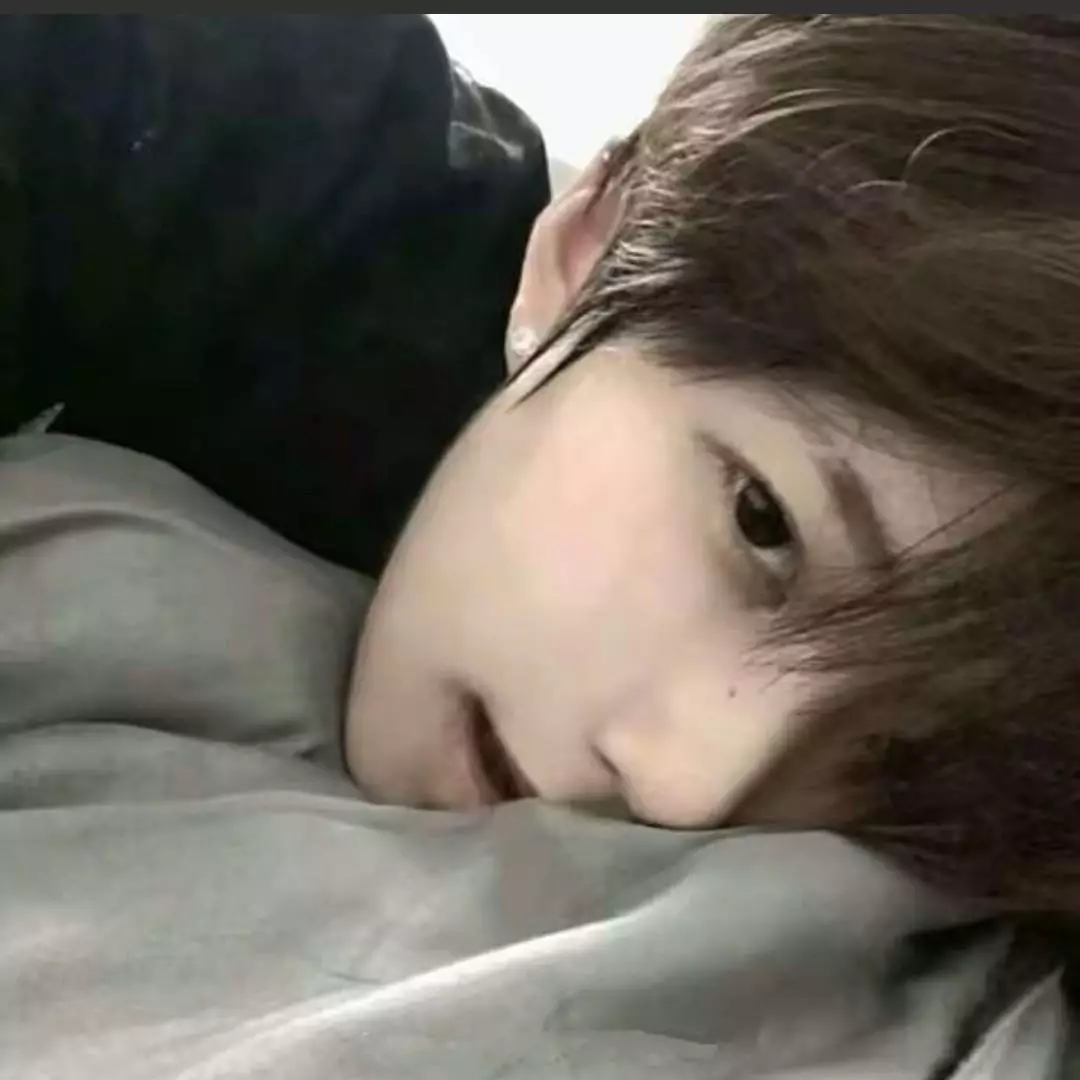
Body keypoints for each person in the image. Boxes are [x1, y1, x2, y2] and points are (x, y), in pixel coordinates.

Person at [2, 15, 1080, 1079]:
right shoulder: (214, 117)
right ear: (588, 245)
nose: (690, 787)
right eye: (764, 525)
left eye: (898, 754)